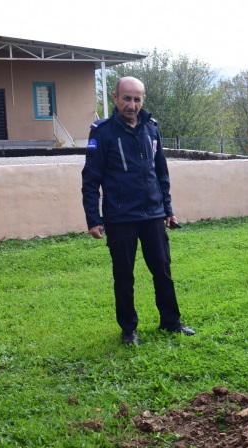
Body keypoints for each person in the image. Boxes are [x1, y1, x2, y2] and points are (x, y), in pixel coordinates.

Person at [81, 76, 194, 346]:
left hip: (153, 215)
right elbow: (91, 179)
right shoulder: (103, 132)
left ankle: (171, 321)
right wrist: (93, 218)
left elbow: (161, 173)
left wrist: (167, 209)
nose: (131, 105)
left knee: (162, 271)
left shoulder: (151, 129)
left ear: (142, 100)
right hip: (120, 218)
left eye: (137, 99)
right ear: (115, 98)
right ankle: (129, 329)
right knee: (124, 276)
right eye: (127, 98)